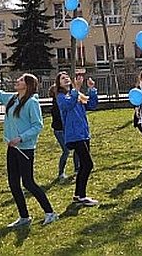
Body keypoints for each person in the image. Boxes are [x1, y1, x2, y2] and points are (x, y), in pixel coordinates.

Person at [0, 70, 58, 227]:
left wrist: (21, 138)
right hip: (12, 148)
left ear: (28, 85)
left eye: (21, 79)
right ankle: (24, 217)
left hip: (25, 149)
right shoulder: (12, 98)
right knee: (13, 183)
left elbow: (38, 125)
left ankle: (50, 213)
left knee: (29, 183)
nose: (17, 80)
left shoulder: (32, 102)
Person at [56, 71, 99, 206]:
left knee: (83, 166)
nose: (66, 79)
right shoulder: (61, 96)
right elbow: (67, 105)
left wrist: (91, 89)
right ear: (59, 83)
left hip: (84, 134)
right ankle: (81, 195)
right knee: (88, 164)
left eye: (67, 77)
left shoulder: (76, 95)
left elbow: (91, 105)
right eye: (62, 78)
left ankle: (78, 194)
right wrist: (77, 88)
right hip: (74, 135)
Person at [49, 84, 79, 182]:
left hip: (68, 129)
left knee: (77, 148)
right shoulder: (56, 104)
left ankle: (77, 169)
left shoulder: (66, 101)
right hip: (60, 130)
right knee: (66, 151)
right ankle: (61, 173)